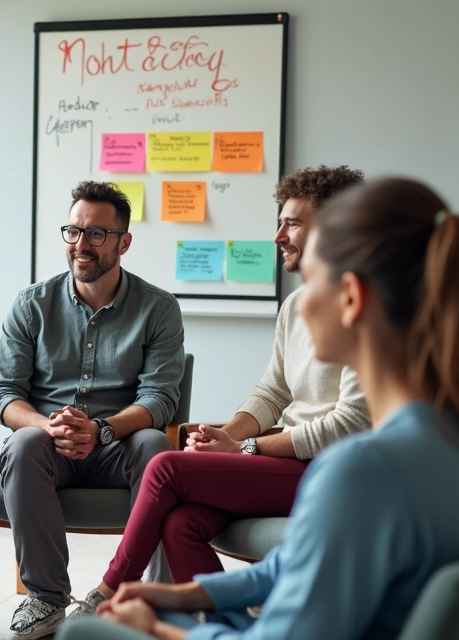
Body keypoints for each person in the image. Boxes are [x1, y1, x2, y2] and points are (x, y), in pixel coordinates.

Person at [78, 177, 459, 639]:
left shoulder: (359, 470)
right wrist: (186, 598)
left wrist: (157, 627)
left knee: (85, 636)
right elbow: (302, 558)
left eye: (314, 276)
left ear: (351, 297)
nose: (302, 305)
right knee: (179, 531)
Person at [72, 167, 370, 615]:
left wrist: (246, 448)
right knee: (179, 524)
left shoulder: (366, 304)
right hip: (287, 461)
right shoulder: (297, 304)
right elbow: (272, 392)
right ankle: (228, 627)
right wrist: (224, 440)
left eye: (291, 223)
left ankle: (111, 590)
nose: (277, 236)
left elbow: (351, 423)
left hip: (332, 470)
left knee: (167, 469)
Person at [0, 180, 185, 638]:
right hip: (50, 449)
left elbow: (160, 398)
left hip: (118, 445)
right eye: (73, 232)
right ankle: (46, 598)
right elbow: (3, 392)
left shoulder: (158, 308)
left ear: (124, 242)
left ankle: (141, 597)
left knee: (155, 444)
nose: (82, 245)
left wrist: (101, 430)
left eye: (97, 234)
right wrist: (49, 425)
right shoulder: (31, 304)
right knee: (24, 441)